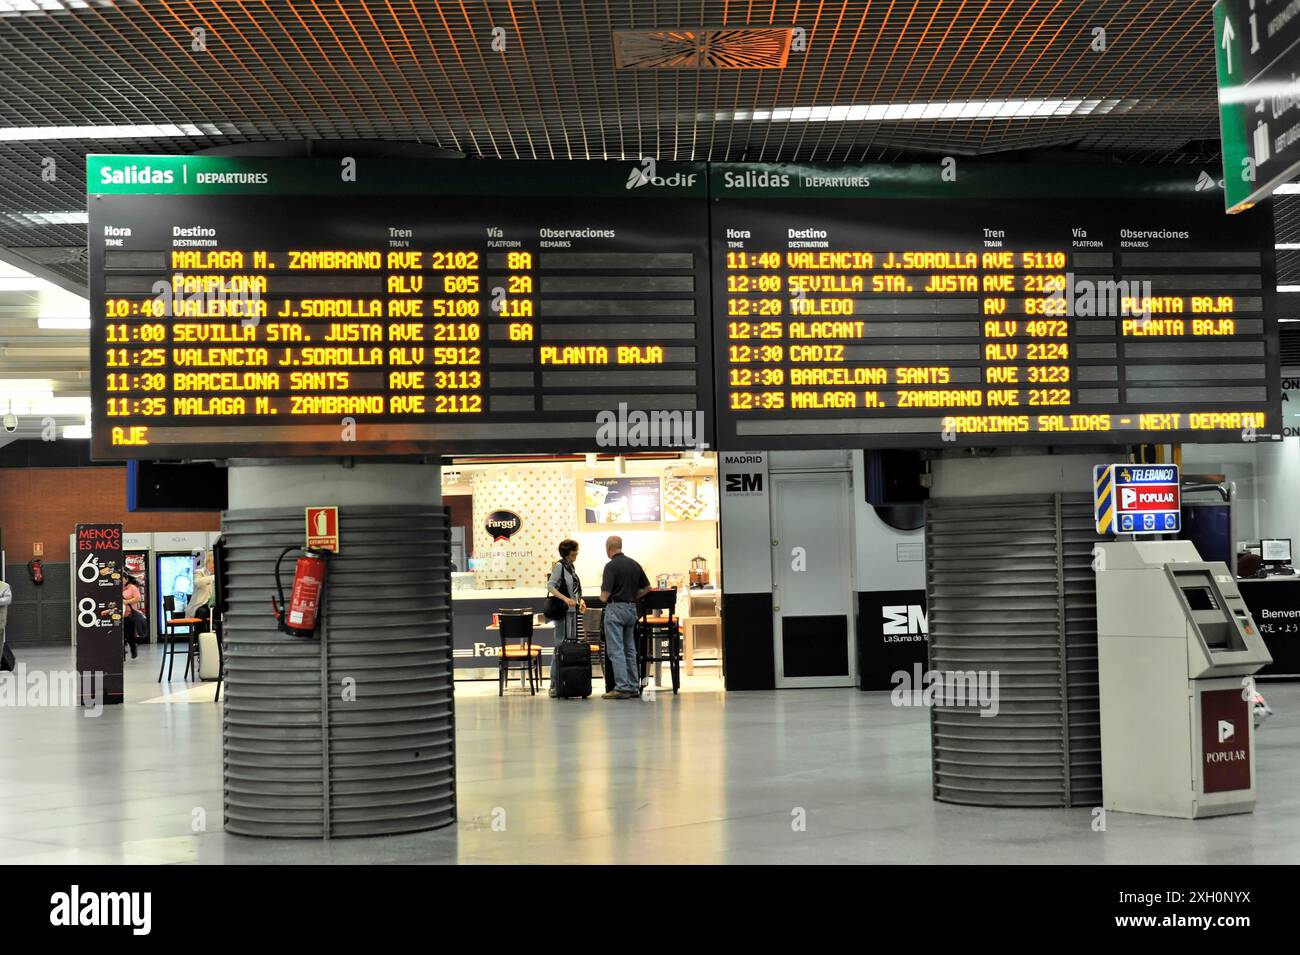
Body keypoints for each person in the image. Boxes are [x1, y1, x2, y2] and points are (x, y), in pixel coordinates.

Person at [599, 535, 650, 700]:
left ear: (608, 548)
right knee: (630, 648)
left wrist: (604, 597)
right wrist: (634, 596)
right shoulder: (634, 564)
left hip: (615, 609)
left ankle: (622, 687)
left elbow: (604, 596)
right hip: (631, 609)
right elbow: (647, 588)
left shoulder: (610, 566)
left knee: (616, 649)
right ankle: (634, 686)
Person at [546, 539, 585, 697]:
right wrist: (565, 599)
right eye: (575, 549)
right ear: (569, 551)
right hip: (563, 612)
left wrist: (580, 600)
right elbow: (550, 586)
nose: (577, 552)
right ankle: (554, 684)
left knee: (568, 646)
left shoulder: (571, 567)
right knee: (560, 646)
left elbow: (574, 589)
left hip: (571, 612)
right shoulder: (561, 566)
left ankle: (566, 682)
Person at [187, 551, 214, 630]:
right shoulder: (199, 572)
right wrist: (213, 578)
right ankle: (198, 638)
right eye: (213, 563)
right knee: (202, 612)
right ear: (208, 563)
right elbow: (197, 583)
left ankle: (218, 639)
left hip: (213, 606)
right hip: (200, 606)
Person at [122, 574, 146, 659]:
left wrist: (126, 601)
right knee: (121, 635)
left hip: (129, 614)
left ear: (126, 579)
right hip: (119, 615)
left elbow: (138, 598)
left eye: (123, 579)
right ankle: (122, 655)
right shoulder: (116, 588)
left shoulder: (132, 588)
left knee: (129, 635)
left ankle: (133, 647)